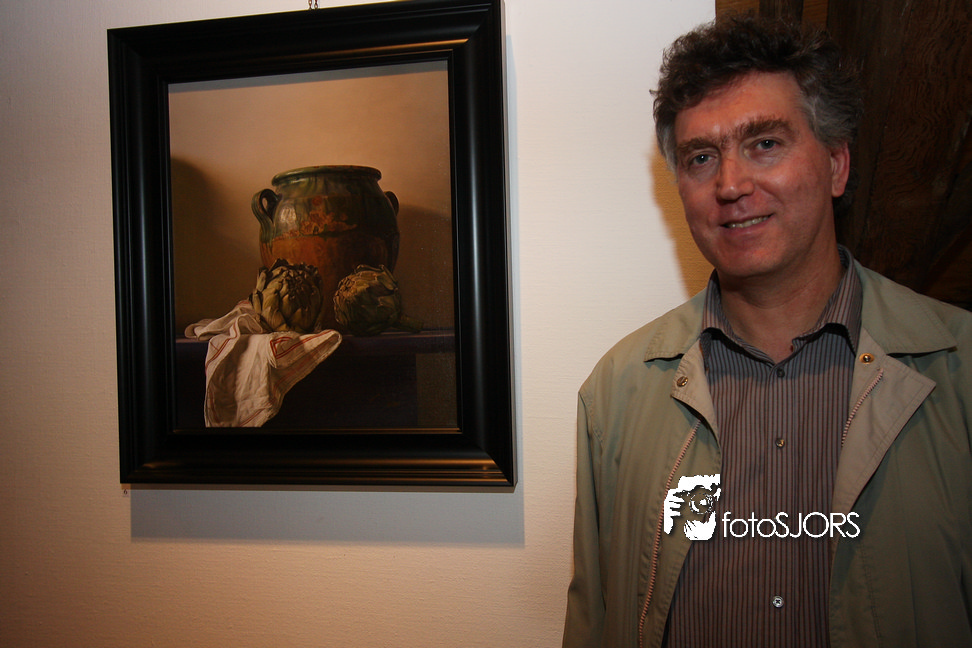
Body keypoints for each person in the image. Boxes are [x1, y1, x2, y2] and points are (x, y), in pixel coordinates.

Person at [562, 13, 972, 648]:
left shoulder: (959, 368)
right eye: (702, 157)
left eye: (765, 144)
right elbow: (594, 620)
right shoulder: (615, 395)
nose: (730, 184)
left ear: (836, 165)